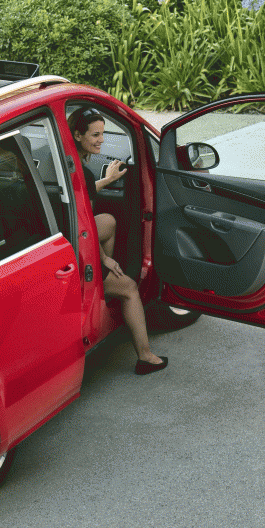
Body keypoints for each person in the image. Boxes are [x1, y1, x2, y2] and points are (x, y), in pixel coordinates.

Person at [69, 108, 167, 375]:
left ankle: (102, 286)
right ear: (78, 135)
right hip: (76, 246)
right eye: (95, 134)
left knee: (109, 221)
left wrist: (108, 179)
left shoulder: (67, 162)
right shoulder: (81, 171)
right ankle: (145, 356)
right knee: (131, 288)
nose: (101, 140)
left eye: (103, 133)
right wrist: (103, 258)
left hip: (64, 237)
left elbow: (83, 195)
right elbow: (83, 228)